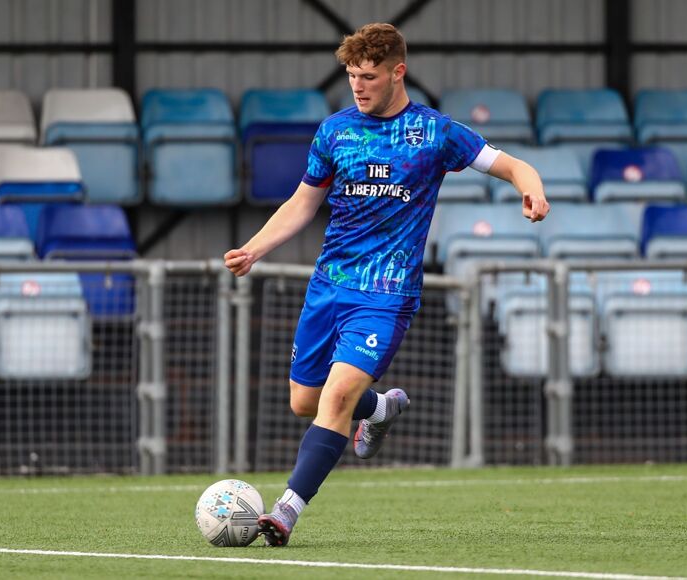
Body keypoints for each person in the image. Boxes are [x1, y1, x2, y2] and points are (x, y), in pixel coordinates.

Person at [224, 22, 549, 547]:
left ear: (399, 72)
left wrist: (531, 191)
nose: (358, 85)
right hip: (329, 285)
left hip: (386, 294)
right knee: (304, 403)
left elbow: (513, 165)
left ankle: (285, 510)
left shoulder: (435, 133)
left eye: (369, 76)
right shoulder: (334, 131)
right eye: (351, 75)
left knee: (334, 400)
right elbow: (304, 201)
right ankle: (380, 408)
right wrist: (256, 248)